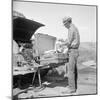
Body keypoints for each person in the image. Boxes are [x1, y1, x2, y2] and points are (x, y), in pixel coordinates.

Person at [62, 16, 80, 93]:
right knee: (74, 70)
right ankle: (74, 86)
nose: (64, 26)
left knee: (70, 71)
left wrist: (61, 43)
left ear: (67, 22)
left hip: (72, 51)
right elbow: (71, 40)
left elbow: (69, 42)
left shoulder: (71, 29)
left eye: (64, 24)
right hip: (75, 51)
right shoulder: (74, 27)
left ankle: (71, 89)